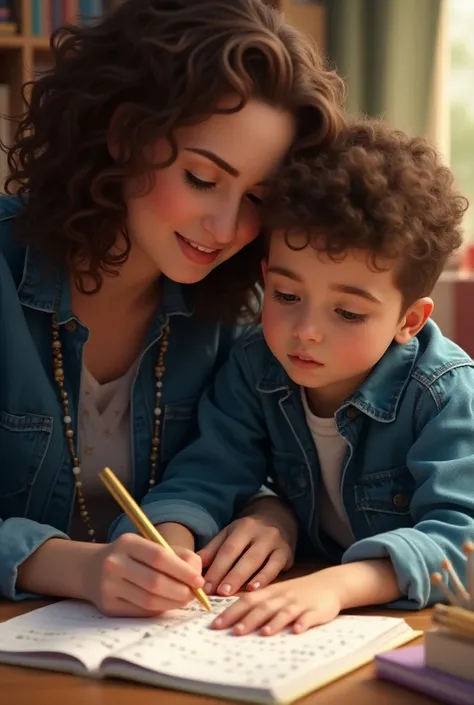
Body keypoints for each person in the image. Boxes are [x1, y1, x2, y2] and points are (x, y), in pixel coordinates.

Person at [0, 0, 346, 614]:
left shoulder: (235, 314)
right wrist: (71, 567)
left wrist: (272, 518)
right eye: (202, 179)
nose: (224, 227)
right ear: (125, 134)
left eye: (256, 199)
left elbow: (245, 460)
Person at [145, 118, 474, 634]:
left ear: (409, 320)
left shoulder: (444, 393)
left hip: (414, 631)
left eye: (347, 313)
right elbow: (205, 475)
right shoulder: (255, 366)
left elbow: (463, 545)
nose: (307, 332)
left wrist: (336, 586)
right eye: (287, 296)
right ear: (265, 280)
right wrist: (168, 545)